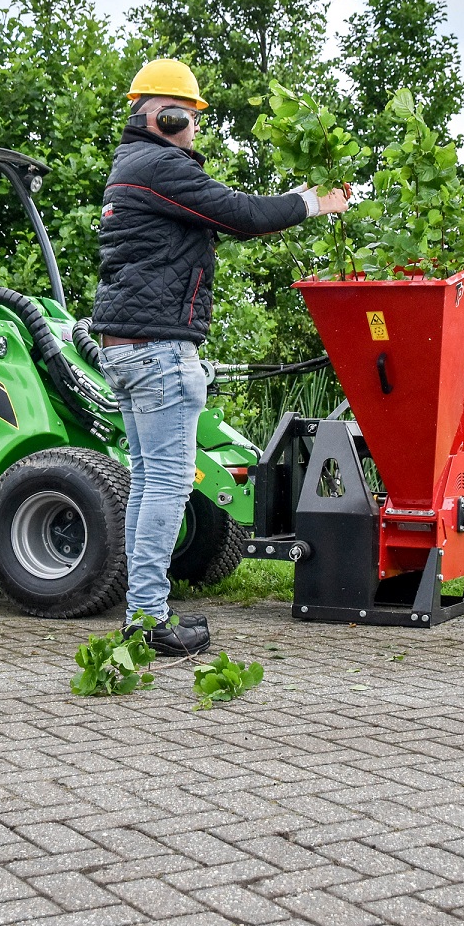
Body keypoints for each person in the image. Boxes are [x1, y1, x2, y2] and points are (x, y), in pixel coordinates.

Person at [93, 59, 349, 656]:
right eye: (190, 118)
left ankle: (141, 612)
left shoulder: (132, 167)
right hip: (157, 352)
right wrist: (313, 202)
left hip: (128, 349)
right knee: (167, 484)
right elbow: (243, 214)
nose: (195, 130)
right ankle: (148, 618)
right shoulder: (159, 166)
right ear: (164, 116)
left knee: (147, 483)